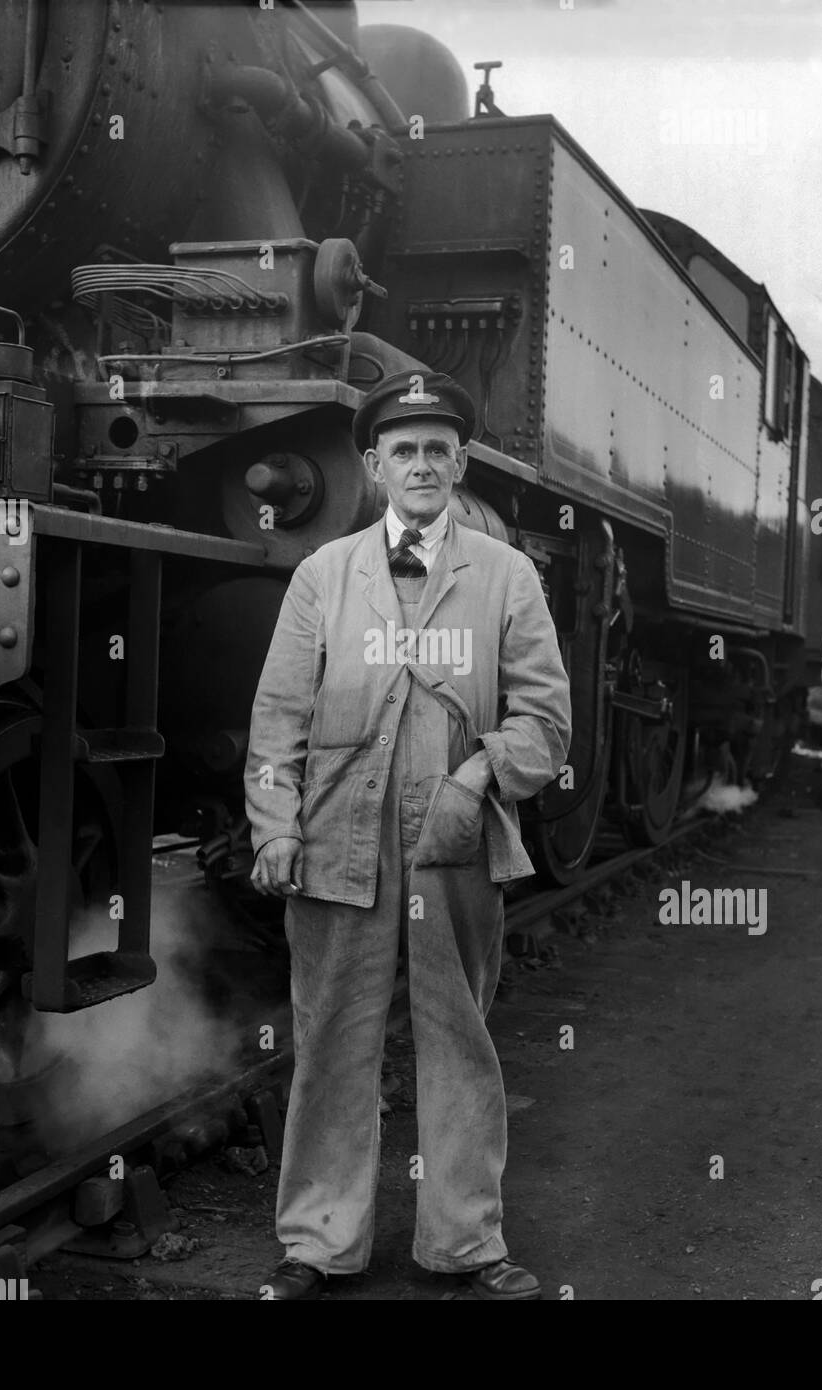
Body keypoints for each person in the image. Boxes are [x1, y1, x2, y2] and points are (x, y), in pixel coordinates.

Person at [244, 370, 572, 1301]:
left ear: (459, 463)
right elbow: (278, 720)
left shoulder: (505, 575)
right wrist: (274, 824)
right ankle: (317, 1242)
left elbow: (547, 724)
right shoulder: (322, 575)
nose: (421, 466)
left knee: (458, 1039)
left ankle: (465, 1242)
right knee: (331, 1041)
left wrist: (478, 777)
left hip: (453, 840)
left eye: (437, 450)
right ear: (373, 466)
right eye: (404, 451)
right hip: (336, 838)